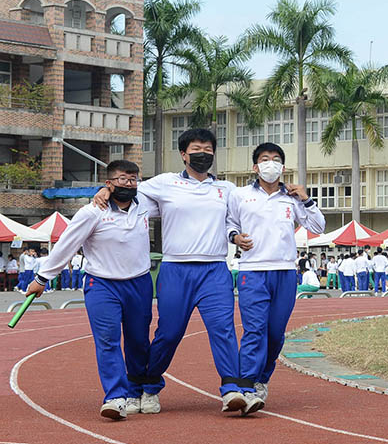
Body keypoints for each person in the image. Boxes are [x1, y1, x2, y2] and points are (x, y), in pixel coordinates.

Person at [95, 127, 250, 414]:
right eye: (196, 150)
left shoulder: (225, 189)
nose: (202, 154)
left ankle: (232, 389)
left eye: (208, 150)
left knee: (223, 329)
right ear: (183, 154)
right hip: (176, 269)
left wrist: (235, 237)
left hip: (214, 269)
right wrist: (105, 189)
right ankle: (148, 384)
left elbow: (232, 222)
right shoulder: (165, 183)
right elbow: (128, 189)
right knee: (169, 333)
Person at [28, 160, 157, 420]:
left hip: (139, 283)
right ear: (108, 183)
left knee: (138, 340)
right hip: (102, 285)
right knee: (108, 340)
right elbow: (66, 244)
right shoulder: (92, 212)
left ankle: (137, 389)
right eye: (122, 179)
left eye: (133, 179)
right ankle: (116, 397)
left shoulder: (146, 205)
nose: (128, 184)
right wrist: (43, 278)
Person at [227, 142, 326, 412]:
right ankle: (245, 386)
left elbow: (318, 226)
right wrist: (234, 237)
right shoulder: (240, 194)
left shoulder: (291, 197)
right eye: (264, 159)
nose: (270, 164)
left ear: (282, 167)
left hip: (284, 272)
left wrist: (306, 199)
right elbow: (230, 223)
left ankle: (261, 379)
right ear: (255, 166)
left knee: (275, 334)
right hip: (252, 271)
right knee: (254, 330)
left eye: (275, 160)